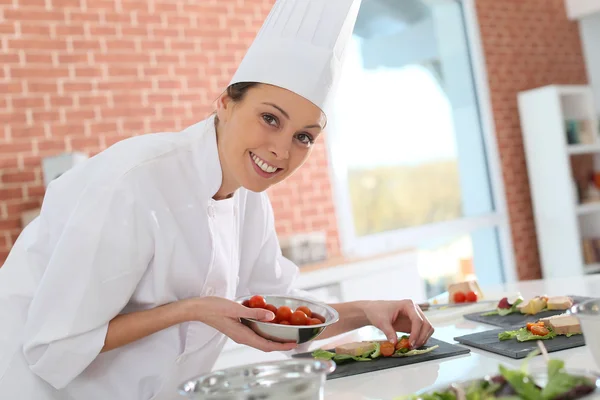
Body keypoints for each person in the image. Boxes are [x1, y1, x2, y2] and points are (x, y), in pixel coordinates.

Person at [0, 0, 434, 399]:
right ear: (225, 102)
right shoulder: (133, 183)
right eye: (270, 118)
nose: (282, 151)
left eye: (303, 136)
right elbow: (53, 345)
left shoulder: (248, 201)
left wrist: (369, 310)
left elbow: (284, 321)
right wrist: (192, 310)